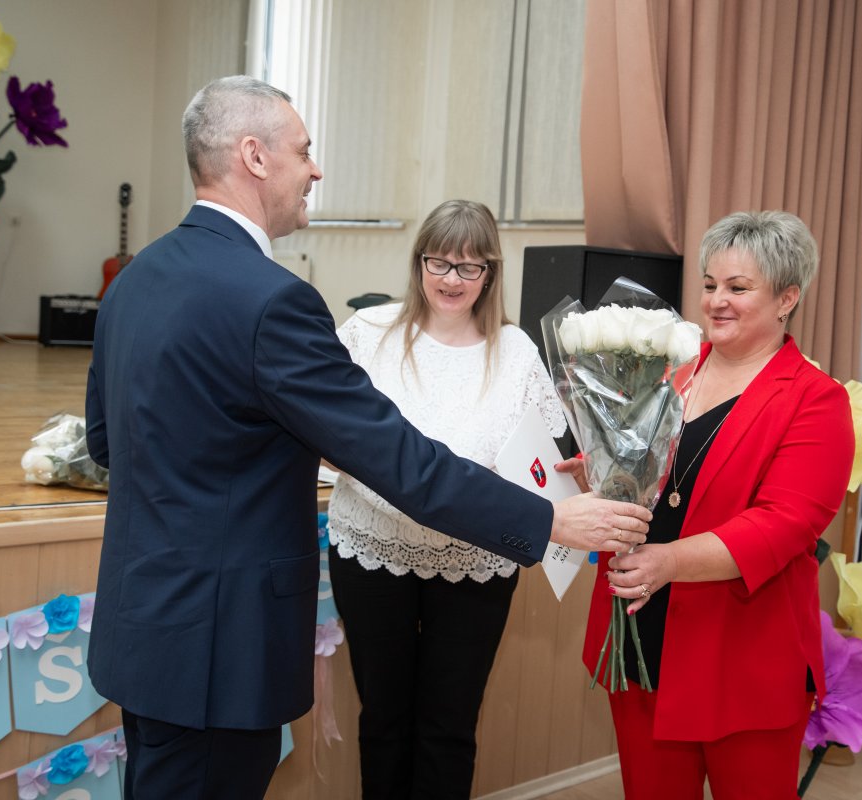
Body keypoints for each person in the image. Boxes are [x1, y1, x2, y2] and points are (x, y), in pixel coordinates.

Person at [84, 75, 652, 799]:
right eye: (303, 151)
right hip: (221, 647)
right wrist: (548, 521)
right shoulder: (274, 301)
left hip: (143, 626)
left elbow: (106, 444)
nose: (315, 169)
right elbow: (397, 461)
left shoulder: (134, 280)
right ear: (254, 157)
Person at [560, 211, 854, 799]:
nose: (717, 301)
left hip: (742, 650)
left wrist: (669, 561)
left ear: (787, 298)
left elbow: (783, 524)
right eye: (711, 284)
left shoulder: (815, 400)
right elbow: (655, 478)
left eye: (738, 288)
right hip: (643, 633)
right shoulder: (667, 370)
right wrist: (602, 472)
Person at [327, 199, 566, 798]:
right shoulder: (369, 332)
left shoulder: (516, 351)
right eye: (439, 262)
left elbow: (542, 458)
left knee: (450, 726)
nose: (451, 279)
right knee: (384, 719)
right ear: (418, 263)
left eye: (469, 266)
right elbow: (324, 432)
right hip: (373, 552)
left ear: (490, 273)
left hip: (476, 561)